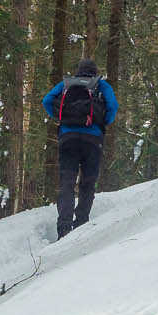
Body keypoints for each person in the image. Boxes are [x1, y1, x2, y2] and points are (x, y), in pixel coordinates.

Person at [41, 58, 119, 238]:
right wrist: (103, 122)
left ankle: (64, 227)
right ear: (94, 71)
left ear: (79, 70)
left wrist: (61, 118)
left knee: (67, 182)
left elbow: (47, 100)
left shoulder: (66, 84)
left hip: (68, 137)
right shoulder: (102, 85)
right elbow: (113, 106)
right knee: (88, 182)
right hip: (93, 139)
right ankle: (81, 224)